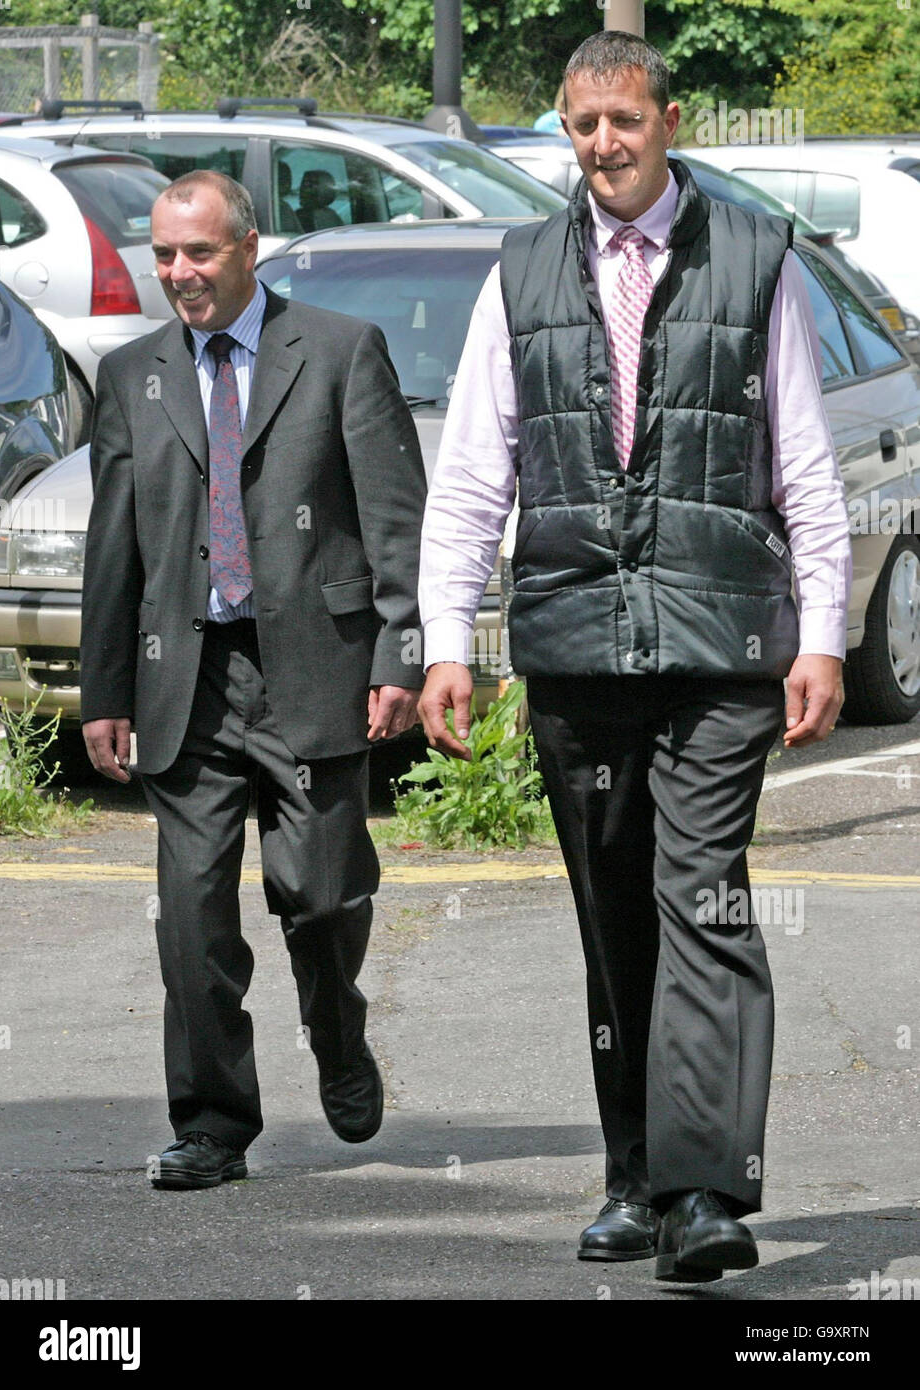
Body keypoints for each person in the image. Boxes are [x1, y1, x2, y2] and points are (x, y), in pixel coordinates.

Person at [418, 31, 851, 1282]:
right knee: (616, 920)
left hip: (720, 650)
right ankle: (633, 1177)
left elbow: (806, 468)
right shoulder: (522, 268)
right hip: (576, 646)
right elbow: (471, 474)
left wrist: (818, 633)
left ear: (670, 119)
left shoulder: (757, 262)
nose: (601, 144)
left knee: (702, 901)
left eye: (622, 119)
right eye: (579, 124)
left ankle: (708, 1191)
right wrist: (451, 640)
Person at [81, 170, 425, 1189]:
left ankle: (335, 1025)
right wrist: (104, 692)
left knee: (318, 898)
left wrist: (397, 652)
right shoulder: (132, 372)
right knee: (190, 919)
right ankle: (213, 1124)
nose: (181, 274)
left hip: (312, 672)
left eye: (201, 253)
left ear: (249, 248)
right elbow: (116, 548)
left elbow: (393, 517)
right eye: (166, 256)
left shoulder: (335, 352)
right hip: (184, 679)